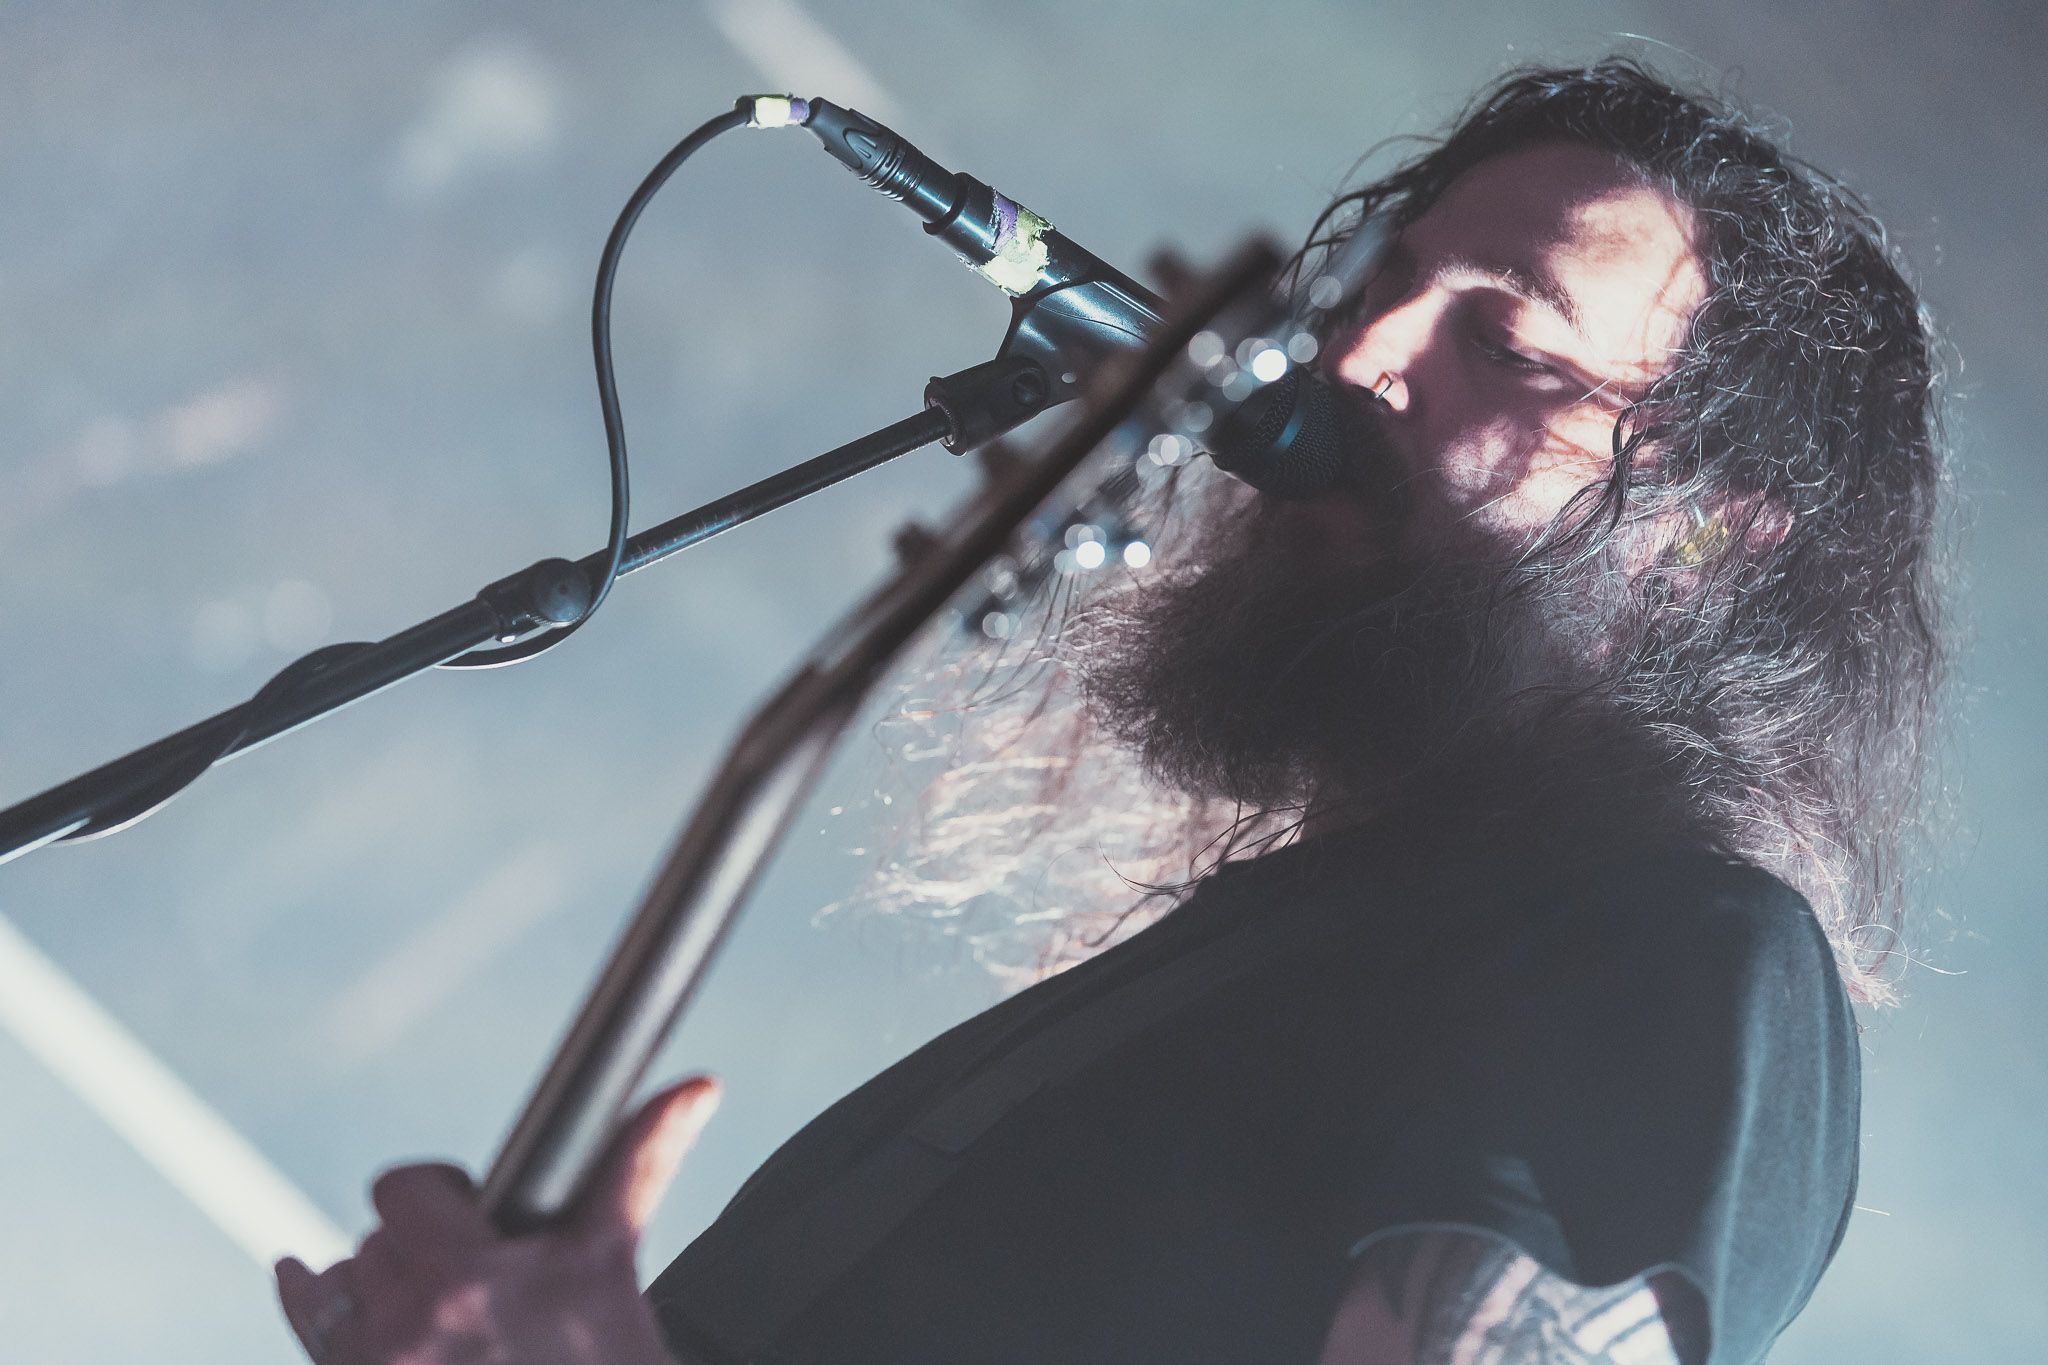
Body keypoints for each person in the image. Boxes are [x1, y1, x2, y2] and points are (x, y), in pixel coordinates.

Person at [274, 59, 1949, 1365]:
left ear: (1710, 539)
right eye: (1378, 284)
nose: (1361, 351)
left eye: (1506, 340)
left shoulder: (1683, 954)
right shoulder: (1311, 931)